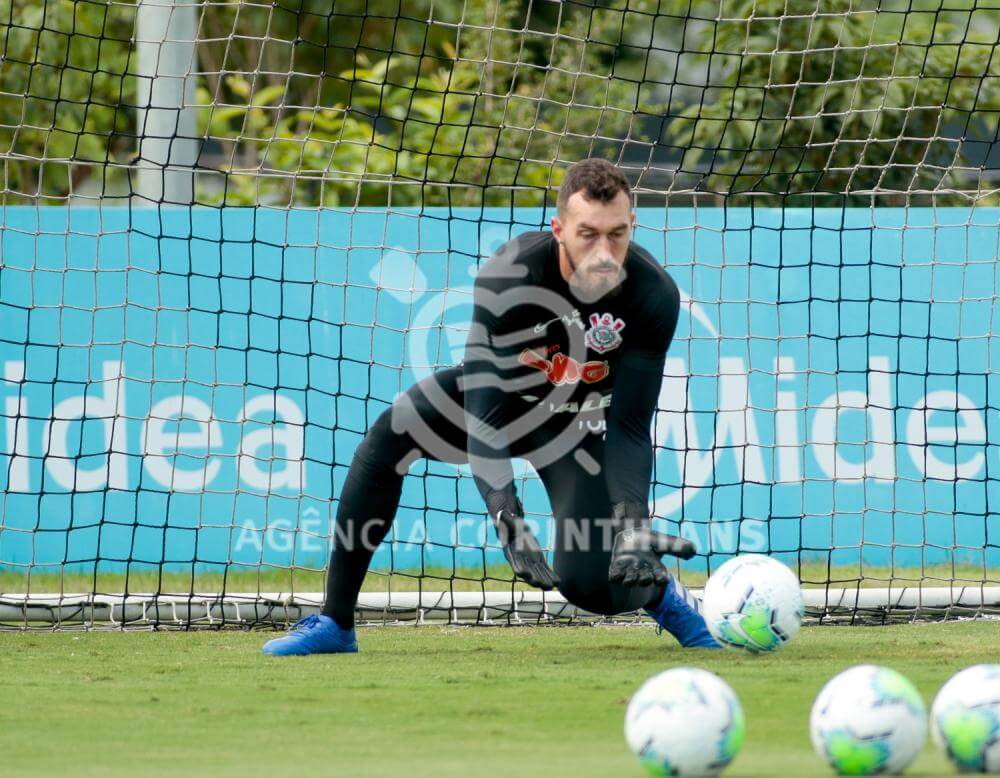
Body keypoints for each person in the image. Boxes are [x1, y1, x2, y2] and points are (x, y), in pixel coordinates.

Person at [262, 158, 719, 655]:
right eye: (588, 234)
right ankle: (335, 623)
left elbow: (630, 426)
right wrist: (507, 515)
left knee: (591, 585)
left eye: (618, 234)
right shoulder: (511, 276)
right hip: (499, 404)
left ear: (633, 226)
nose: (604, 252)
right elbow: (485, 412)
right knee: (392, 432)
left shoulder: (653, 295)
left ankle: (663, 596)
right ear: (559, 229)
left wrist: (633, 525)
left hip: (572, 429)